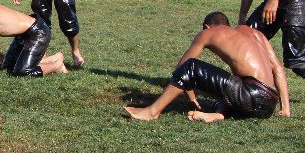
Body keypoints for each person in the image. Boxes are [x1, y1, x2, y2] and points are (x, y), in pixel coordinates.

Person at [124, 11, 289, 122]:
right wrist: (285, 108)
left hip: (250, 96)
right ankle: (217, 114)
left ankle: (151, 112)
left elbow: (183, 67)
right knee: (231, 85)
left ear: (207, 27)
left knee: (191, 66)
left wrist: (192, 99)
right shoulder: (255, 35)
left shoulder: (208, 33)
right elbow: (278, 69)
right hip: (268, 105)